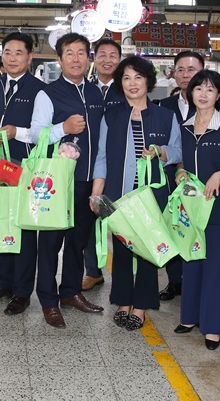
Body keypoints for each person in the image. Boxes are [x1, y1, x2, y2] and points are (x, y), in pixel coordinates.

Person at [91, 56, 182, 330]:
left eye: (138, 77)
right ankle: (122, 301)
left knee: (147, 250)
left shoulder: (166, 116)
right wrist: (96, 193)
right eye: (126, 78)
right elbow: (102, 156)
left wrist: (161, 152)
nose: (132, 83)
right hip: (120, 194)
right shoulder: (112, 115)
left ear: (148, 81)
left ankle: (141, 305)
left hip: (152, 196)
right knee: (121, 249)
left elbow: (178, 150)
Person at [29, 32, 105, 328]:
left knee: (77, 242)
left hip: (86, 181)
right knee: (50, 244)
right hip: (57, 182)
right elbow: (36, 134)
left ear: (89, 58)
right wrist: (63, 127)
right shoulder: (47, 94)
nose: (76, 59)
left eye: (81, 53)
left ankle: (70, 292)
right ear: (59, 59)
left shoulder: (97, 94)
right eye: (69, 53)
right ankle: (48, 301)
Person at [172, 70, 220, 350]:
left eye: (210, 89)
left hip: (218, 208)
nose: (203, 94)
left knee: (214, 268)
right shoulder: (183, 128)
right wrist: (179, 173)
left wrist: (219, 175)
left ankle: (212, 327)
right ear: (191, 93)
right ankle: (189, 317)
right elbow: (179, 161)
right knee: (191, 263)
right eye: (198, 89)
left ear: (219, 96)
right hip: (190, 207)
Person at [0, 32, 45, 315]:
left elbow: (44, 133)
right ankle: (4, 281)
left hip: (23, 166)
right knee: (1, 221)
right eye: (7, 52)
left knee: (24, 229)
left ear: (29, 57)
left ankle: (23, 290)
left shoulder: (39, 90)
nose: (12, 58)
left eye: (18, 53)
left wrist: (19, 132)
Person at [157, 50, 220, 302]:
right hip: (171, 178)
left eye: (192, 69)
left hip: (203, 181)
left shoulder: (216, 108)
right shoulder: (164, 106)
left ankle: (197, 281)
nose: (186, 75)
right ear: (173, 74)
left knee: (198, 229)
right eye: (181, 70)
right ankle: (175, 280)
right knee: (173, 226)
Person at [82, 37, 124, 291]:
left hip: (120, 164)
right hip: (90, 163)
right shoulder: (86, 89)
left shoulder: (128, 89)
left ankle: (122, 273)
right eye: (102, 55)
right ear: (94, 59)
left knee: (120, 219)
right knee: (90, 218)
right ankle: (93, 271)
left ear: (119, 60)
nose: (107, 60)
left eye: (113, 55)